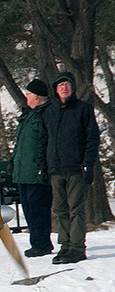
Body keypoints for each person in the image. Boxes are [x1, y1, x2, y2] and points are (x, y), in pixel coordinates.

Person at [38, 72, 100, 264]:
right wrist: (42, 166)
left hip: (76, 168)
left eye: (68, 85)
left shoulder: (83, 109)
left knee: (76, 209)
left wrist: (87, 164)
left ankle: (77, 248)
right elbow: (43, 141)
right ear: (55, 90)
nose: (65, 88)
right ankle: (65, 246)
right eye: (61, 85)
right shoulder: (48, 111)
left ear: (72, 88)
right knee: (59, 209)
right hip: (55, 168)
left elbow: (92, 138)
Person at [11, 78, 52, 256]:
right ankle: (36, 242)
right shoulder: (27, 115)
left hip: (37, 172)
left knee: (39, 209)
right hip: (23, 172)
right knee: (28, 209)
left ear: (36, 96)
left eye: (28, 93)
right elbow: (19, 144)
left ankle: (41, 244)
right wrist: (12, 162)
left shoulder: (47, 114)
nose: (26, 96)